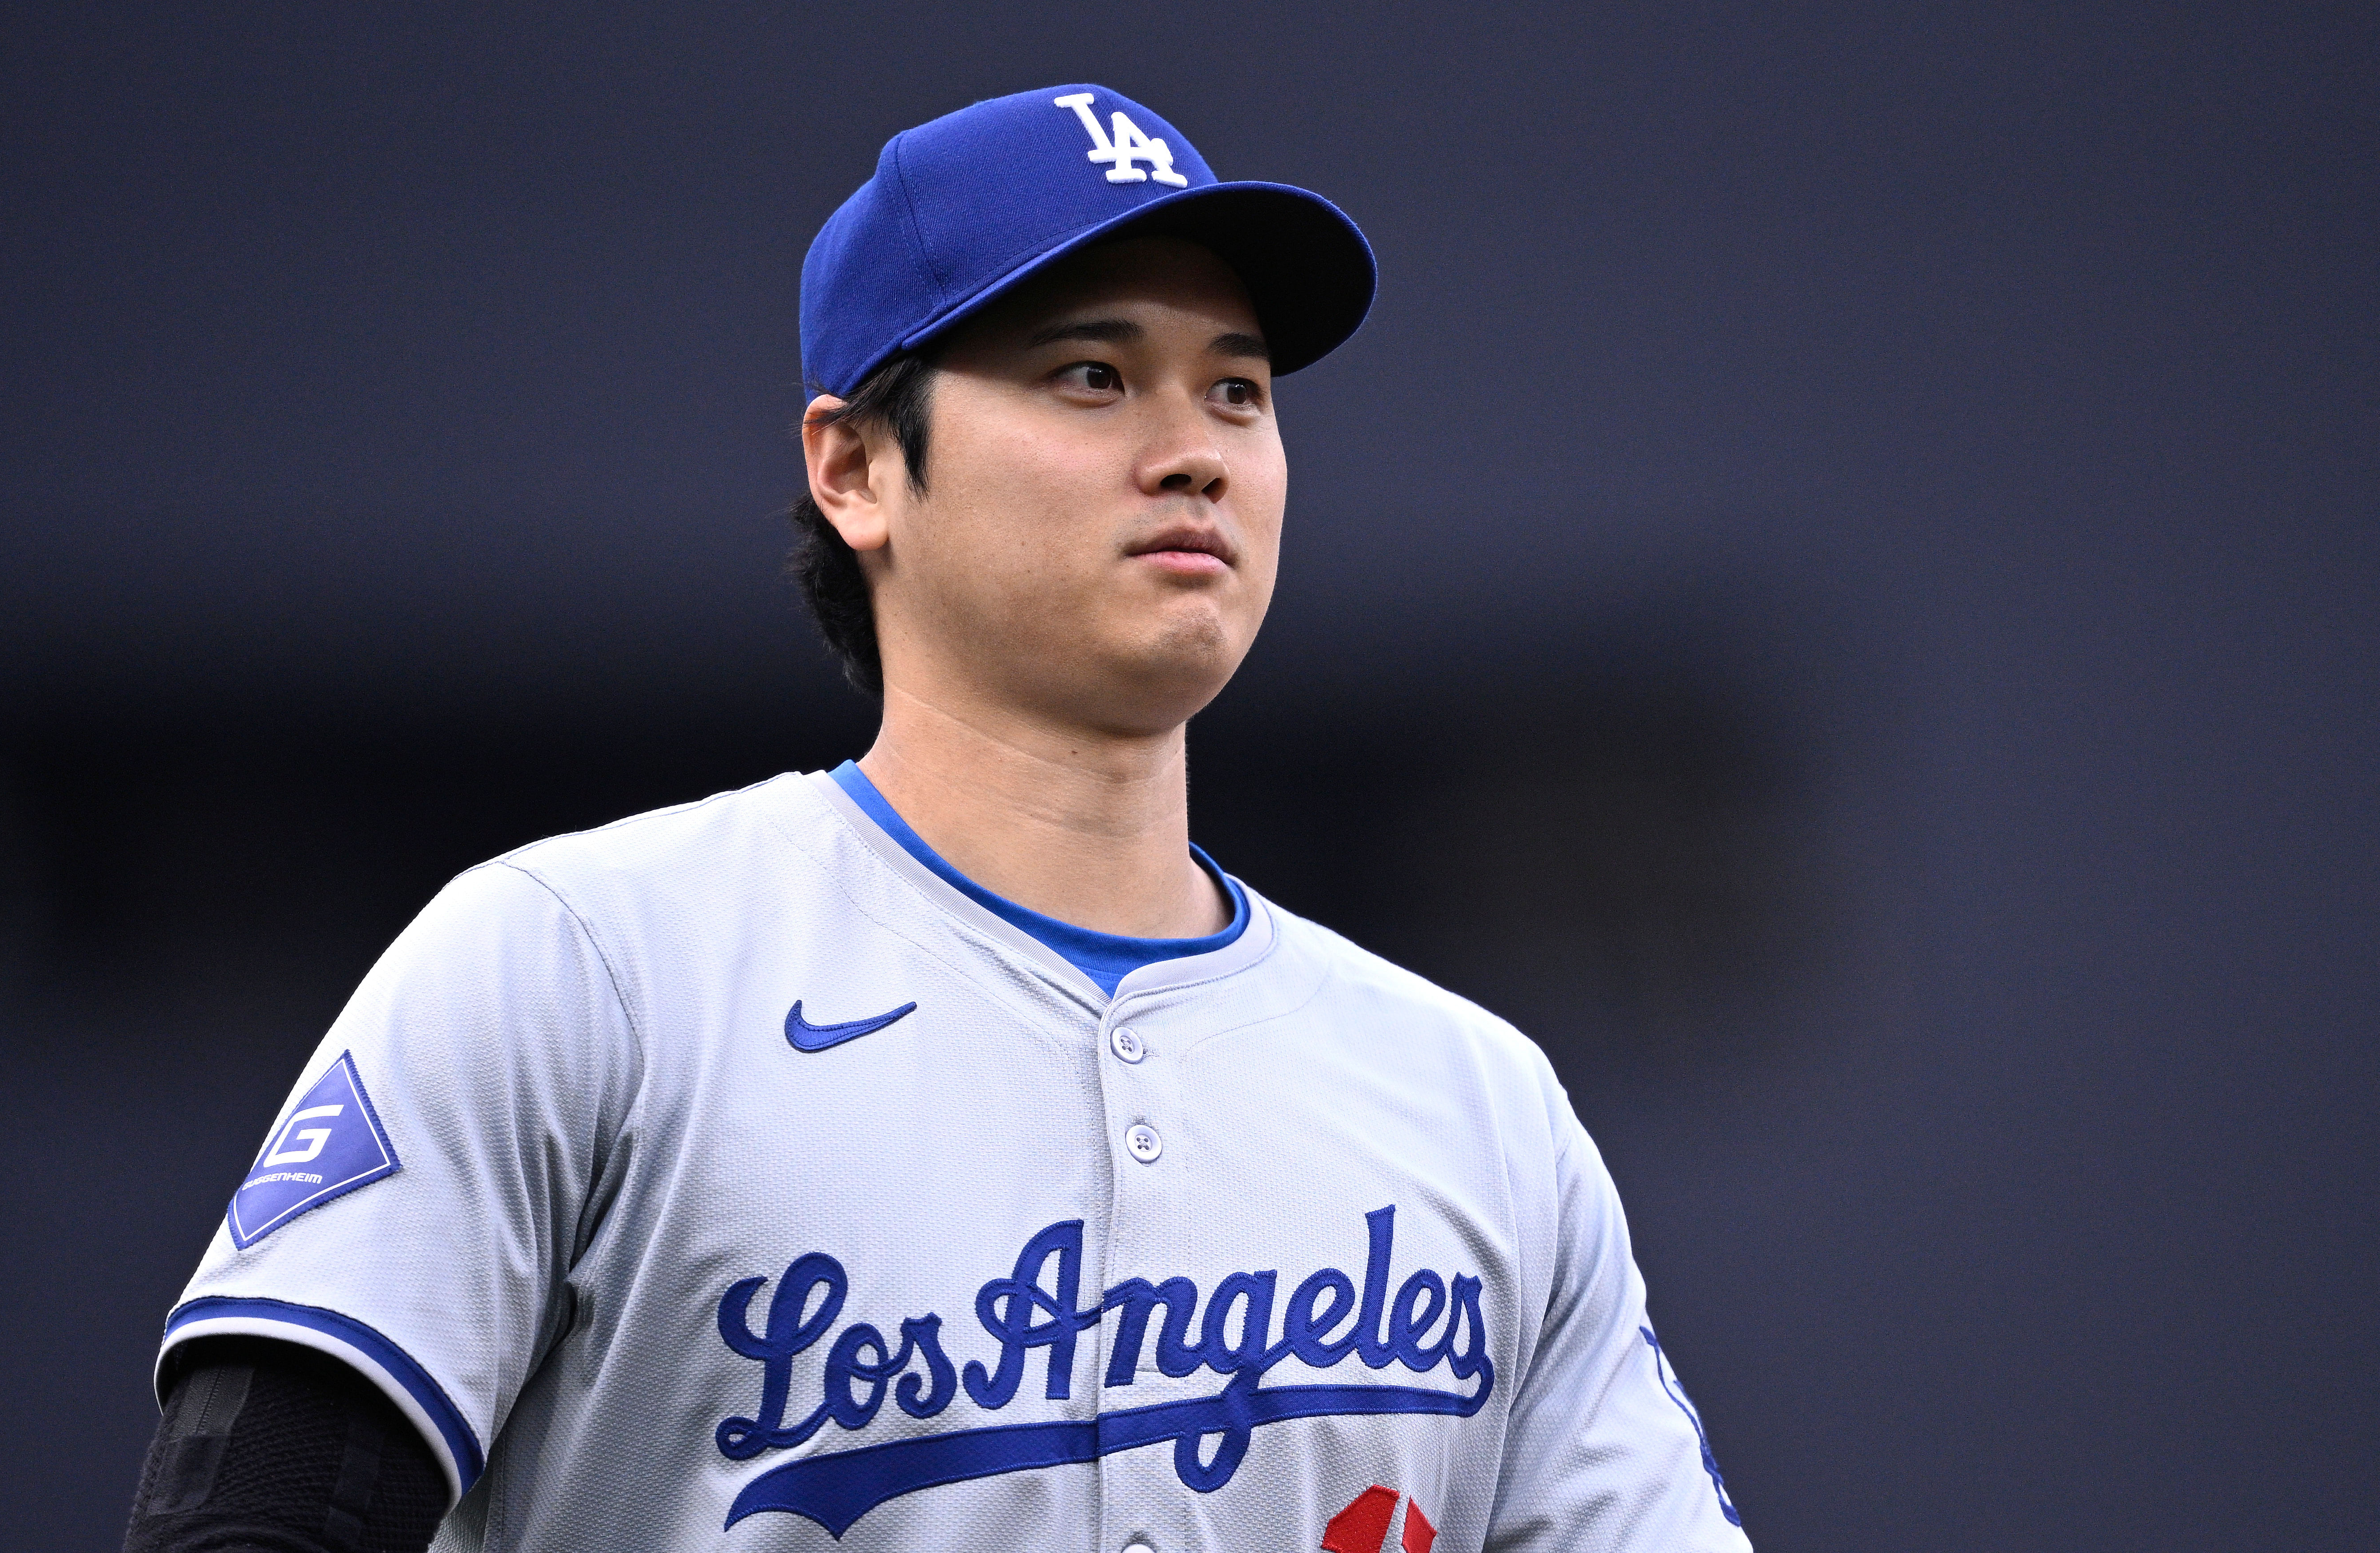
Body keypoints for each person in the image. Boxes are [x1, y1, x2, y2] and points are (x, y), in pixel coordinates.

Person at [123, 84, 1750, 1553]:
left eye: (1238, 392)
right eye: (1094, 375)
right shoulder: (581, 968)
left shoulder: (1477, 1103)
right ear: (855, 469)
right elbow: (250, 1522)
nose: (1192, 451)